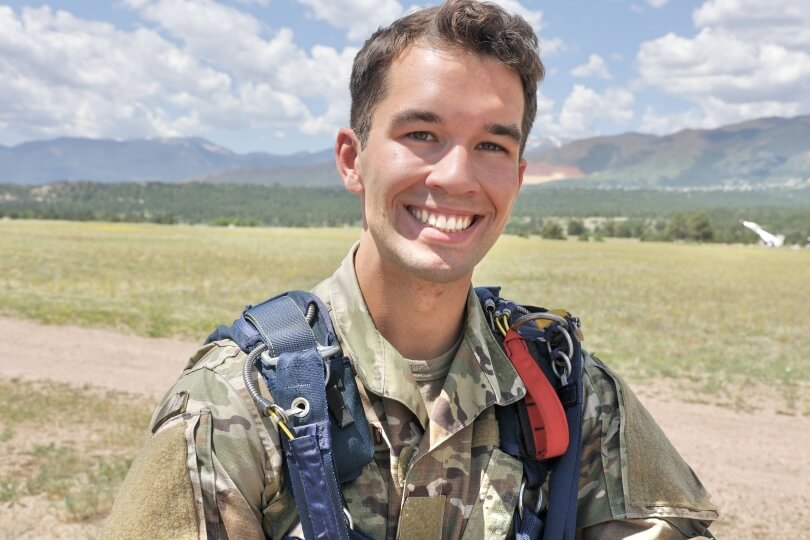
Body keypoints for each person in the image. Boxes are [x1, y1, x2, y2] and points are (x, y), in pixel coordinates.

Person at [105, 1, 719, 538]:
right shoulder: (242, 402)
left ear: (518, 177)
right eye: (423, 133)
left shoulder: (568, 393)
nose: (456, 176)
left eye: (492, 146)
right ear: (353, 159)